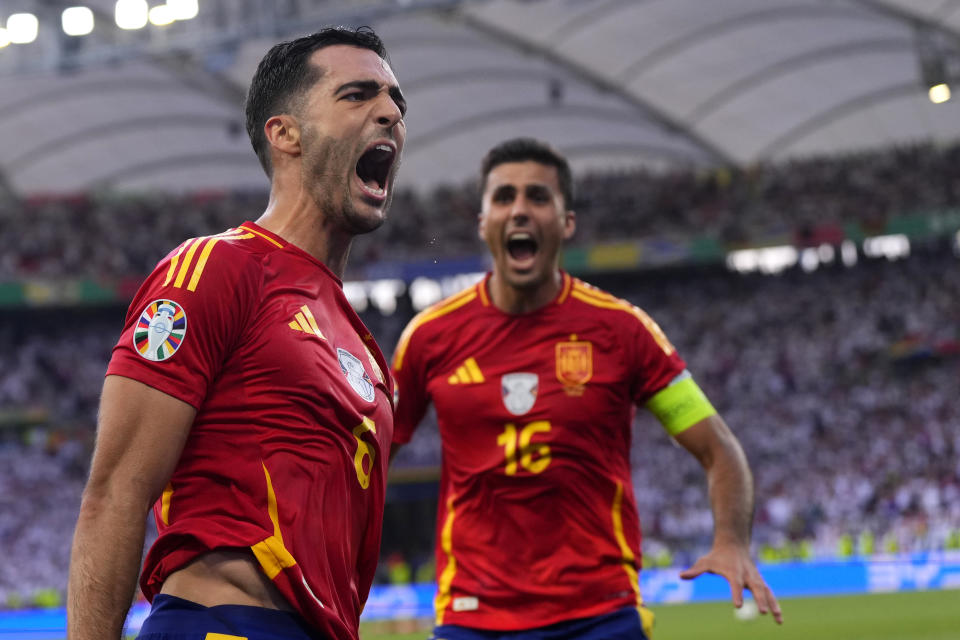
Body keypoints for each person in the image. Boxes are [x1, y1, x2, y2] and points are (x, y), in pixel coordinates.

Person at [67, 26, 406, 640]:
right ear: (286, 134)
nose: (389, 113)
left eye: (395, 102)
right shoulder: (216, 270)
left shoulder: (362, 346)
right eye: (358, 95)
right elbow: (115, 492)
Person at [390, 138, 783, 639]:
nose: (519, 210)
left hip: (599, 613)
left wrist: (731, 540)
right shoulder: (429, 338)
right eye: (504, 197)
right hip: (472, 615)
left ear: (566, 221)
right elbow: (372, 459)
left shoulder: (623, 331)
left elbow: (718, 448)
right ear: (483, 221)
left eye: (538, 197)